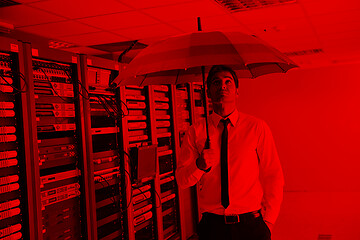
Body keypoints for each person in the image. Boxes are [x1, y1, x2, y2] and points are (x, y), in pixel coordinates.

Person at [175, 65, 284, 240]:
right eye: (216, 82)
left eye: (228, 82)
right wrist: (199, 166)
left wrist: (269, 221)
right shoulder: (196, 131)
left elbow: (274, 174)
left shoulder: (256, 127)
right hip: (212, 227)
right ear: (208, 92)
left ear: (237, 91)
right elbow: (181, 180)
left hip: (251, 225)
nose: (222, 86)